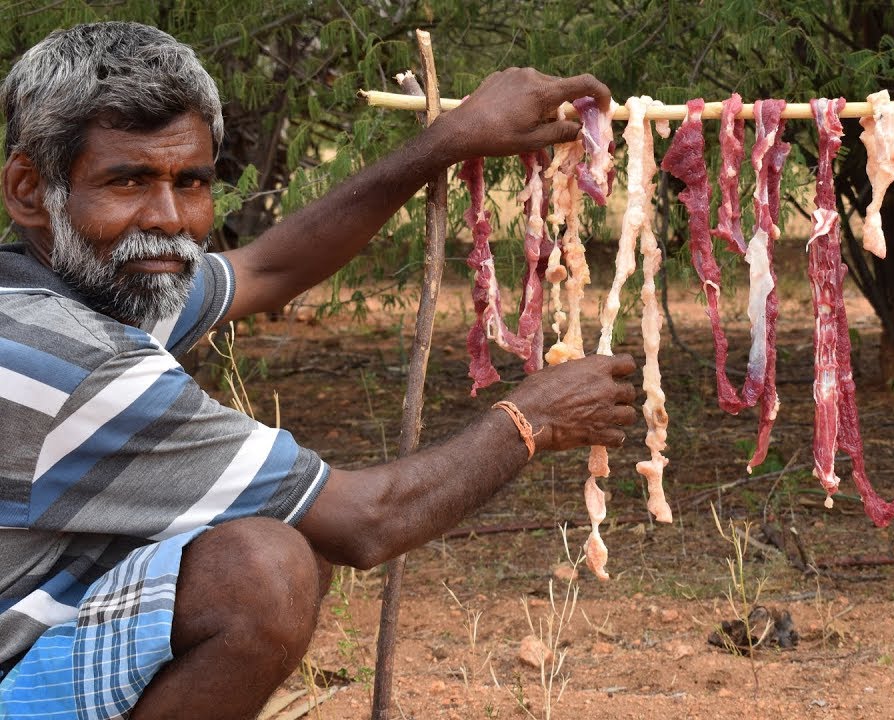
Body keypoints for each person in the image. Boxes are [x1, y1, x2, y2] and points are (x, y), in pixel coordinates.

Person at [0, 21, 635, 719]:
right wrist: (533, 419)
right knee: (266, 567)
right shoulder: (78, 365)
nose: (170, 219)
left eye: (191, 182)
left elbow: (267, 267)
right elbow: (365, 522)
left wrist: (449, 140)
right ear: (29, 190)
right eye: (128, 181)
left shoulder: (72, 285)